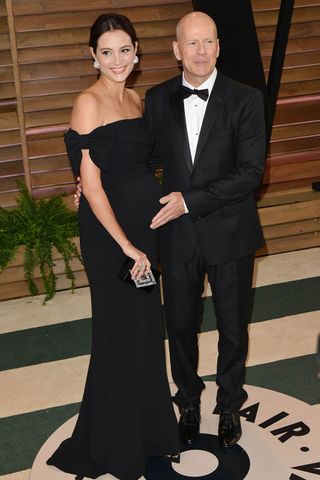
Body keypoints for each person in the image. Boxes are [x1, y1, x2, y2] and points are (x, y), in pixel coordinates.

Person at [46, 13, 179, 480]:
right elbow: (94, 186)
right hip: (112, 237)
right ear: (93, 57)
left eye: (125, 50)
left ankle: (151, 432)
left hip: (143, 228)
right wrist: (126, 246)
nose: (117, 60)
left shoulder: (135, 97)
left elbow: (135, 163)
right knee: (118, 332)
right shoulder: (88, 102)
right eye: (107, 52)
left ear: (137, 52)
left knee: (144, 329)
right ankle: (116, 444)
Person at [144, 11, 266, 448]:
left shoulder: (246, 98)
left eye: (208, 42)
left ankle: (229, 403)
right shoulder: (156, 98)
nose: (200, 51)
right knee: (179, 325)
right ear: (176, 50)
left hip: (231, 231)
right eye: (191, 43)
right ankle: (189, 401)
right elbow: (140, 162)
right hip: (177, 237)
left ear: (218, 45)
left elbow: (252, 173)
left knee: (233, 327)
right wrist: (92, 184)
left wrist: (189, 200)